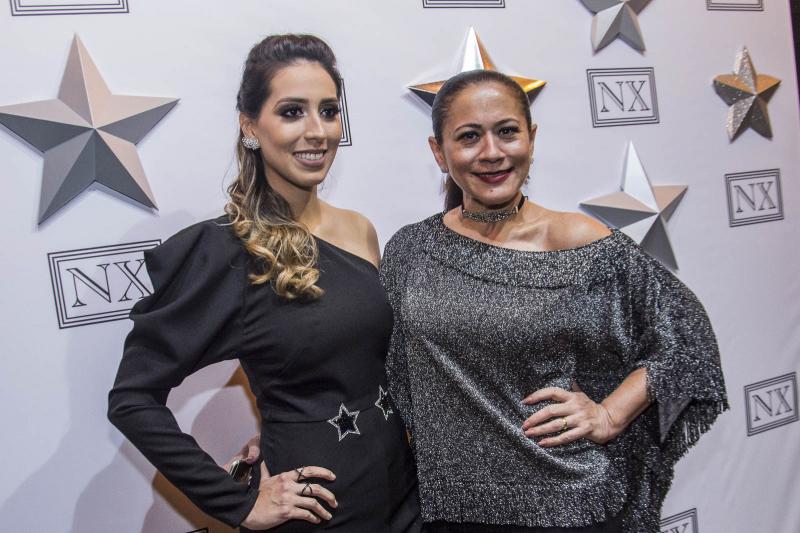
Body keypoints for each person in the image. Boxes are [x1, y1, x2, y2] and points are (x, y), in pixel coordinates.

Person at [379, 70, 728, 533]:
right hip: (449, 510)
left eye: (507, 131)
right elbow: (377, 367)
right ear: (439, 152)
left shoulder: (576, 240)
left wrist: (609, 414)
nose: (492, 152)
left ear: (532, 138)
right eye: (469, 137)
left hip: (568, 503)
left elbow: (685, 335)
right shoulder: (410, 250)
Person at [107, 34, 420, 532]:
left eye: (329, 111)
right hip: (319, 512)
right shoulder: (226, 252)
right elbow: (132, 399)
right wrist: (238, 503)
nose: (317, 131)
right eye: (292, 112)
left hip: (403, 495)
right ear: (250, 126)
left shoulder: (359, 229)